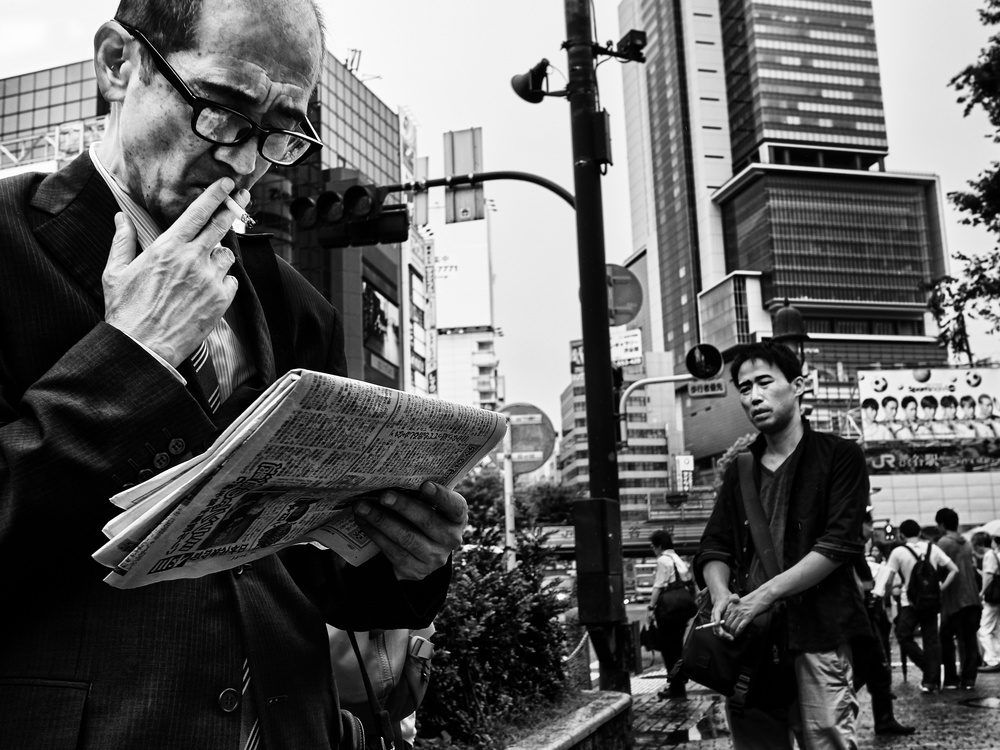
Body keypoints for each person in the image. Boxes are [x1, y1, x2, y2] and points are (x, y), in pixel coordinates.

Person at [0, 2, 468, 748]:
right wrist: (131, 358)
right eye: (221, 111)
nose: (245, 162)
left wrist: (405, 555)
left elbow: (306, 573)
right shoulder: (10, 241)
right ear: (119, 64)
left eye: (278, 133)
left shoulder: (291, 303)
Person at [696, 342, 872, 749]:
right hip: (750, 643)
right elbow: (714, 544)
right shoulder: (740, 467)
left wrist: (761, 598)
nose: (753, 397)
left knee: (827, 741)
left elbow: (838, 544)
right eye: (744, 389)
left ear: (798, 386)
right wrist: (721, 595)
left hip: (819, 634)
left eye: (764, 383)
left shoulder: (840, 455)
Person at [885, 520, 958, 693]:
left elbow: (889, 579)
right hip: (931, 600)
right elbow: (954, 569)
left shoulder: (898, 552)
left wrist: (887, 594)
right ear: (919, 532)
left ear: (902, 535)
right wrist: (940, 588)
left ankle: (926, 666)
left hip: (909, 602)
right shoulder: (933, 548)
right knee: (931, 639)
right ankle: (930, 680)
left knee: (903, 635)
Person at [935, 508, 983, 689]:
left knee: (946, 637)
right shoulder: (967, 543)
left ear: (941, 524)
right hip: (972, 596)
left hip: (955, 598)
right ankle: (969, 678)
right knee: (969, 638)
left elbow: (940, 568)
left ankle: (951, 679)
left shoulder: (944, 543)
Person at [647, 529, 692, 700]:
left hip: (669, 612)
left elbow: (658, 586)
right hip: (682, 610)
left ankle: (676, 687)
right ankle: (679, 685)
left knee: (668, 651)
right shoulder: (677, 558)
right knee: (677, 649)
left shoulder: (663, 560)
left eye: (653, 546)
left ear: (659, 546)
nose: (653, 550)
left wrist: (651, 608)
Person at [979, 535, 1000, 672]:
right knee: (997, 628)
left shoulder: (990, 555)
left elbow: (989, 575)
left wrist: (982, 592)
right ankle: (997, 657)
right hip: (999, 596)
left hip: (993, 596)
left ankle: (992, 660)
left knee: (984, 629)